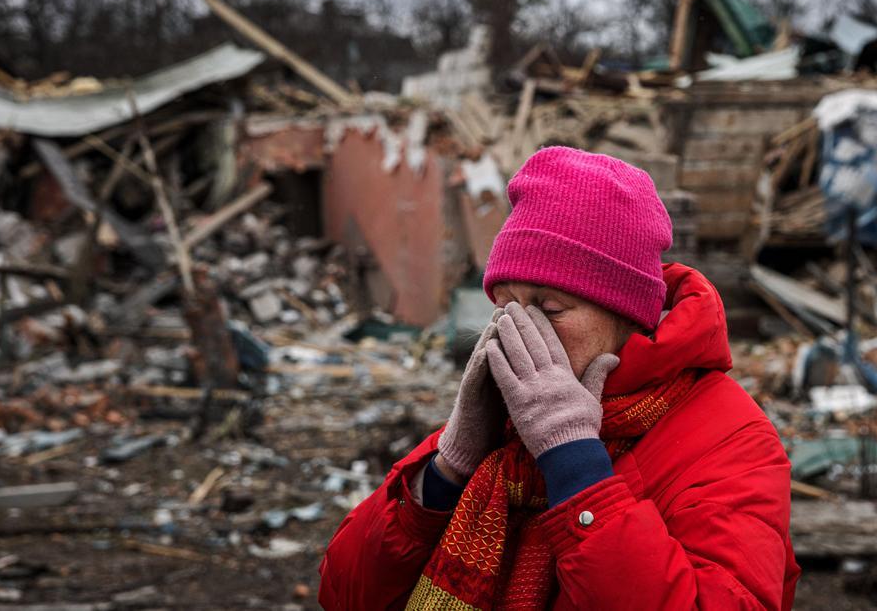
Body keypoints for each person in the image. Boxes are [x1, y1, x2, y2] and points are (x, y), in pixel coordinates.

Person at [319, 146, 800, 610]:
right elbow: (346, 593)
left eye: (550, 309)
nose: (520, 330)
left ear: (628, 316)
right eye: (506, 307)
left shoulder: (733, 441)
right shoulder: (506, 424)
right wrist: (450, 465)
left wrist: (575, 464)